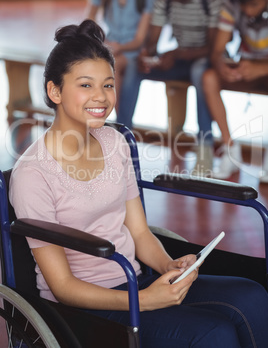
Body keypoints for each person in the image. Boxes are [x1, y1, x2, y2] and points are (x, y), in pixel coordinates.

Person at [9, 19, 268, 348]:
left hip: (136, 279)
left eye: (108, 85)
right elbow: (62, 286)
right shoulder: (33, 174)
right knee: (214, 334)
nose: (101, 97)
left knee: (253, 296)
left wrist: (168, 266)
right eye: (85, 85)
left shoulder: (115, 142)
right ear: (54, 90)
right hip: (86, 308)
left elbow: (140, 232)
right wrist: (144, 300)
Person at [117, 0, 226, 176]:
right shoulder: (164, 0)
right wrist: (147, 56)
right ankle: (122, 137)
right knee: (135, 67)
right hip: (179, 62)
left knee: (199, 72)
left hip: (206, 63)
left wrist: (175, 54)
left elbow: (213, 48)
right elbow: (153, 41)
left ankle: (204, 149)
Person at [202, 0, 268, 181]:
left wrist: (261, 68)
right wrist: (221, 64)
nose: (248, 10)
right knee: (209, 77)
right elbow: (217, 51)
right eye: (244, 5)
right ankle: (231, 149)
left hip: (263, 67)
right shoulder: (231, 4)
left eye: (255, 4)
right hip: (246, 63)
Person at [86, 0, 157, 114]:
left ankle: (120, 122)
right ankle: (118, 121)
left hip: (135, 49)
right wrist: (102, 43)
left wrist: (117, 48)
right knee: (101, 66)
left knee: (113, 66)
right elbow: (88, 23)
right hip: (110, 46)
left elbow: (140, 39)